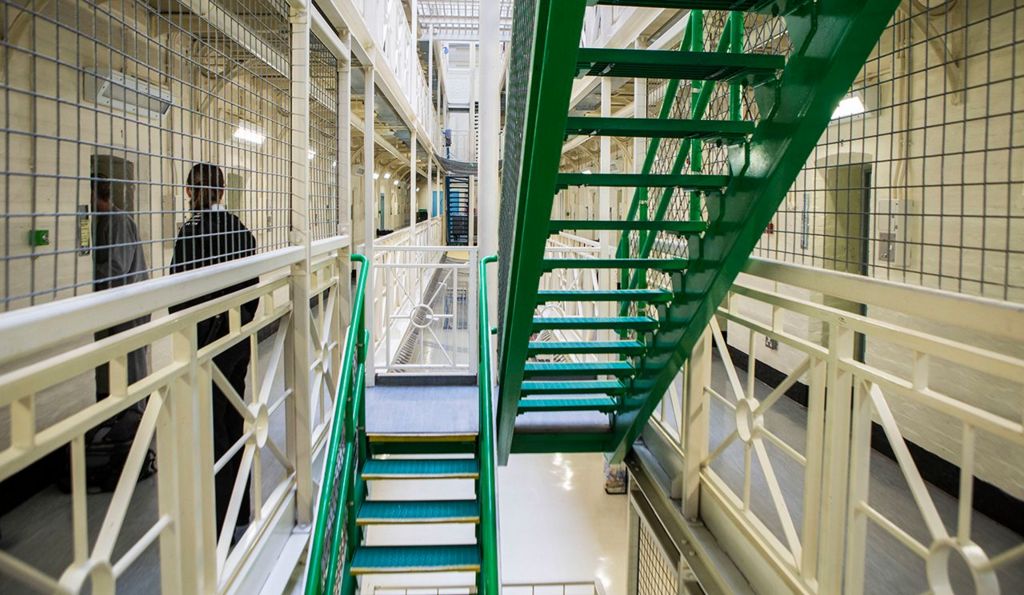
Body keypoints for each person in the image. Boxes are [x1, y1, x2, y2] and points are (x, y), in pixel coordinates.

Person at [169, 163, 258, 542]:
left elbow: (177, 297)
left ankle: (217, 523)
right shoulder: (241, 231)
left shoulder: (190, 235)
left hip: (205, 348)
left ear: (191, 192)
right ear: (222, 192)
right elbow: (252, 288)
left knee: (210, 432)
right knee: (234, 422)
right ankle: (239, 512)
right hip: (237, 343)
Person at [82, 174, 155, 491]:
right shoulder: (109, 220)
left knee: (132, 377)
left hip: (127, 312)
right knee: (116, 377)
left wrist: (85, 283)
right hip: (117, 310)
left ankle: (136, 445)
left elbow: (115, 267)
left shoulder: (115, 220)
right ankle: (122, 442)